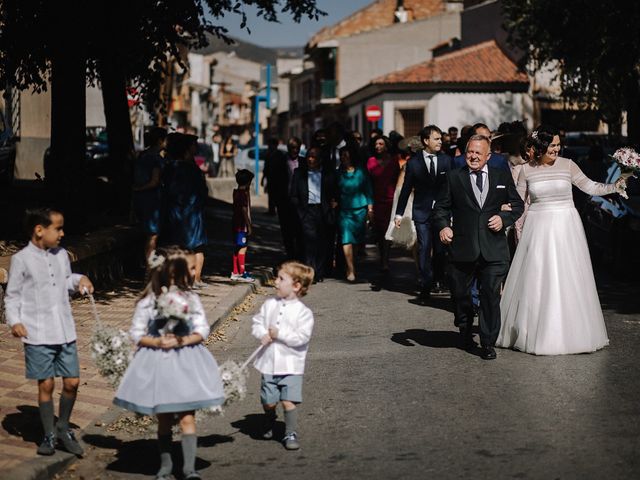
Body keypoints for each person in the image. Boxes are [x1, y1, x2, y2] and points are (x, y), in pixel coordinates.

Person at [496, 126, 627, 355]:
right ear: (539, 147)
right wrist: (501, 211)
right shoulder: (526, 170)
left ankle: (572, 332)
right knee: (537, 278)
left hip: (566, 226)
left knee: (567, 277)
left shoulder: (568, 165)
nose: (556, 149)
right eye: (552, 145)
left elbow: (590, 186)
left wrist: (614, 186)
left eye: (558, 144)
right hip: (538, 227)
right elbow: (517, 200)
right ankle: (533, 331)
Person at [113, 248, 225, 480]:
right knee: (164, 417)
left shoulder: (191, 298)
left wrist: (184, 339)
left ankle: (189, 469)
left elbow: (202, 328)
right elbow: (136, 333)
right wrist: (156, 341)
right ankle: (165, 466)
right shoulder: (149, 301)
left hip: (186, 361)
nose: (193, 274)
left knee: (187, 417)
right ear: (169, 274)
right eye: (188, 270)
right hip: (159, 362)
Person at [4, 208, 94, 456]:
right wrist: (15, 322)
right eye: (58, 228)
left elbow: (65, 282)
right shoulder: (21, 260)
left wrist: (80, 280)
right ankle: (49, 433)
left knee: (73, 382)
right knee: (46, 384)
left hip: (65, 329)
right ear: (39, 230)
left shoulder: (62, 254)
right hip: (38, 332)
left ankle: (63, 426)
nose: (62, 233)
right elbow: (12, 297)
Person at [432, 134, 524, 360]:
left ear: (488, 156)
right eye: (469, 152)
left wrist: (504, 218)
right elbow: (440, 209)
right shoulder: (454, 177)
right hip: (463, 247)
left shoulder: (502, 175)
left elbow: (517, 205)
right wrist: (444, 227)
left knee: (490, 294)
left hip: (493, 249)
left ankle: (487, 342)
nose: (472, 156)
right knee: (461, 294)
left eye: (477, 153)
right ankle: (464, 327)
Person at [251, 261, 315, 450]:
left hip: (291, 365)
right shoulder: (269, 304)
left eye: (281, 279)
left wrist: (280, 335)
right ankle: (270, 418)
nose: (276, 282)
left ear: (296, 286)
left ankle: (290, 433)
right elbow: (257, 322)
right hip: (269, 363)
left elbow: (302, 338)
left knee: (288, 401)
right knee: (269, 402)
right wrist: (261, 333)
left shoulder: (304, 313)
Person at [395, 125, 452, 299]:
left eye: (441, 139)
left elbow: (453, 186)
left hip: (442, 213)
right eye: (436, 138)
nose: (440, 142)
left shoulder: (446, 160)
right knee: (424, 247)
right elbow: (406, 189)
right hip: (422, 212)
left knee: (441, 249)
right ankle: (426, 282)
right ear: (426, 141)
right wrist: (398, 213)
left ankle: (438, 280)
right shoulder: (413, 163)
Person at [163, 134, 208, 287]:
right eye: (193, 145)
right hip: (192, 212)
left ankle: (176, 278)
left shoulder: (169, 167)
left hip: (176, 211)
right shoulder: (191, 169)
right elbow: (203, 191)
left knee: (177, 246)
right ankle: (194, 279)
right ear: (187, 148)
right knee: (196, 247)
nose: (196, 148)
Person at [290, 147, 339, 282]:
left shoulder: (328, 174)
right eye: (309, 157)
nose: (311, 159)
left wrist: (333, 204)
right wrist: (300, 211)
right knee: (309, 242)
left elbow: (335, 192)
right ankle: (310, 272)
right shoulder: (299, 173)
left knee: (322, 242)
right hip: (307, 211)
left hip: (323, 211)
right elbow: (293, 195)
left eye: (314, 157)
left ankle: (319, 271)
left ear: (320, 159)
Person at [337, 145, 374, 282]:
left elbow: (368, 189)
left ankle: (353, 263)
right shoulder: (338, 173)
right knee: (346, 238)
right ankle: (350, 269)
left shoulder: (361, 172)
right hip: (344, 210)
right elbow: (333, 190)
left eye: (346, 155)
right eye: (342, 156)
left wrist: (370, 209)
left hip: (360, 209)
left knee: (357, 239)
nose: (344, 158)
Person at [133, 127, 168, 262]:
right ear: (160, 141)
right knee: (152, 235)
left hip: (141, 198)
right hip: (152, 199)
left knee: (146, 233)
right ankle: (150, 265)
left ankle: (148, 263)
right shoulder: (156, 159)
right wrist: (141, 188)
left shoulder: (142, 155)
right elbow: (154, 181)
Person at [367, 136, 400, 272]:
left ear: (386, 146)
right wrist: (369, 204)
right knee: (380, 231)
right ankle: (383, 258)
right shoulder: (371, 161)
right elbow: (368, 182)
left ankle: (385, 260)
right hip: (377, 199)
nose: (377, 146)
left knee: (388, 230)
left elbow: (398, 180)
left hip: (391, 200)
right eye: (376, 144)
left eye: (380, 143)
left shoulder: (393, 161)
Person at [231, 169, 256, 282]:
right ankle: (242, 272)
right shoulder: (243, 195)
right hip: (242, 225)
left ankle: (235, 271)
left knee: (236, 247)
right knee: (243, 247)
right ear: (248, 182)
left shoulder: (236, 192)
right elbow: (244, 210)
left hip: (235, 224)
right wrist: (249, 225)